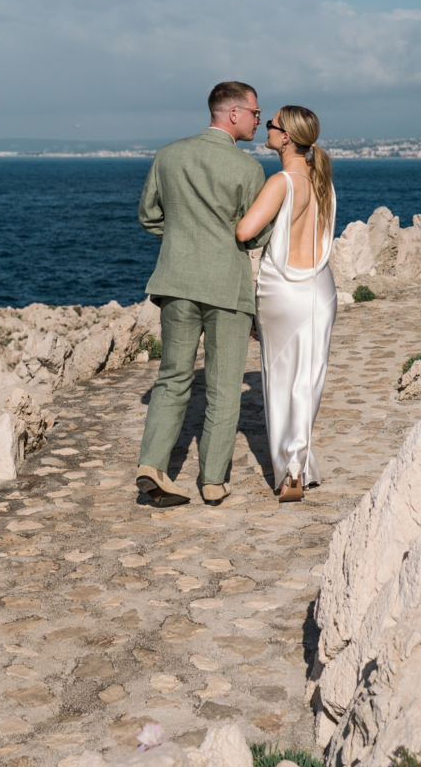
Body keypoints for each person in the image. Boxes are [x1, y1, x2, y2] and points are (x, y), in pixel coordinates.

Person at [135, 81, 273, 507]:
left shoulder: (168, 155)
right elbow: (257, 236)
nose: (257, 119)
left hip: (176, 281)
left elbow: (149, 216)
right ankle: (213, 480)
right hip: (226, 288)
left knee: (173, 377)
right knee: (225, 385)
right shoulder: (248, 170)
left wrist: (181, 238)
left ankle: (152, 463)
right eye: (254, 111)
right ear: (232, 113)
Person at [235, 105, 337, 503]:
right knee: (309, 380)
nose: (267, 128)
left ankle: (290, 471)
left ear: (287, 137)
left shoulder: (282, 181)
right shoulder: (322, 179)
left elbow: (245, 229)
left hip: (284, 291)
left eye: (272, 124)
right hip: (321, 289)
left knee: (279, 380)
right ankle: (302, 465)